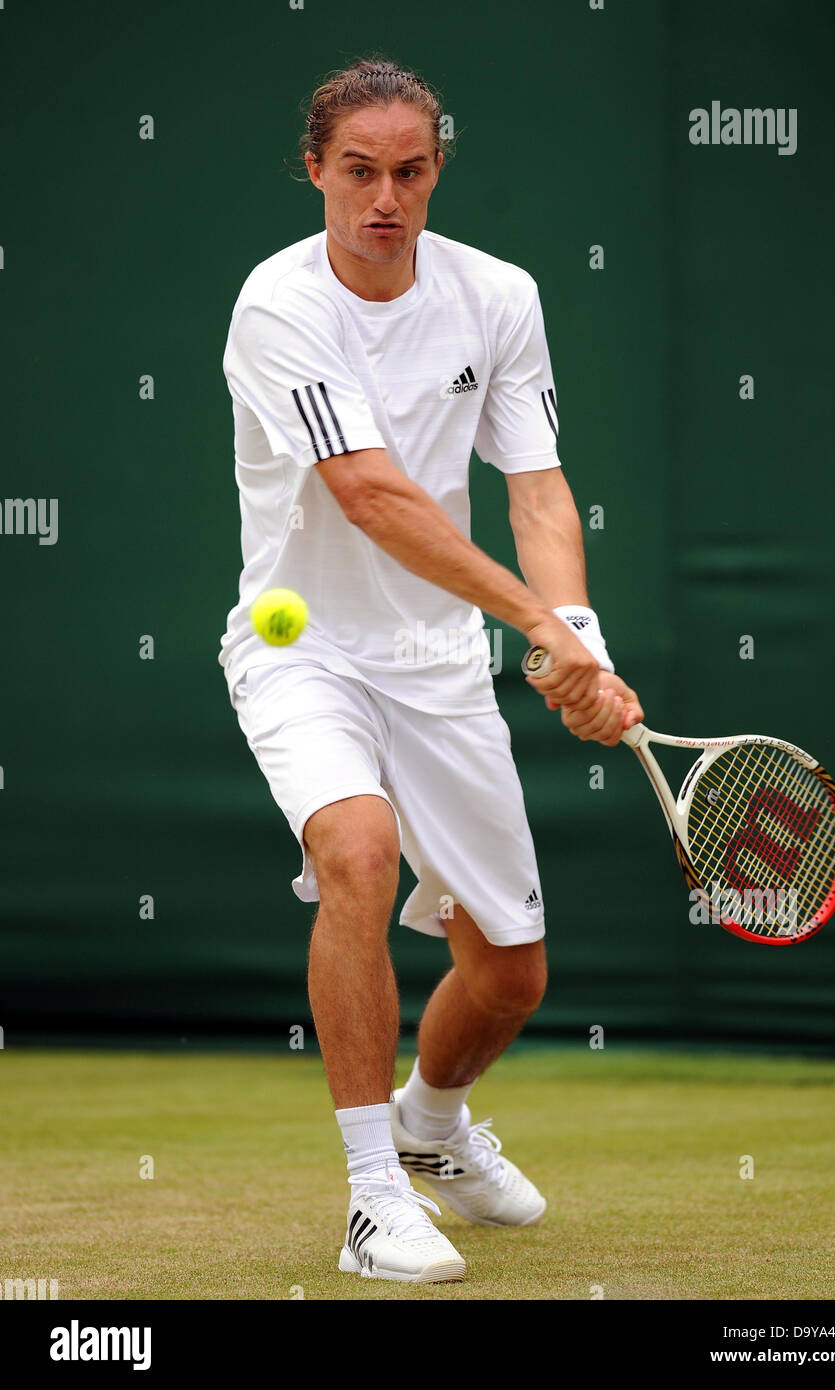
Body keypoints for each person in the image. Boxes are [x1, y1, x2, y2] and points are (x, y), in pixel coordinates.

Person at [220, 57, 643, 1284]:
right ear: (315, 169)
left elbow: (538, 483)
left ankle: (431, 1127)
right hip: (306, 653)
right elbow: (370, 495)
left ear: (436, 169)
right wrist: (537, 623)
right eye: (358, 171)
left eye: (408, 171)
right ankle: (367, 1198)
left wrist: (576, 626)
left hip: (441, 665)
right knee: (352, 847)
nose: (383, 197)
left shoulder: (498, 294)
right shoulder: (275, 304)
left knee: (509, 973)